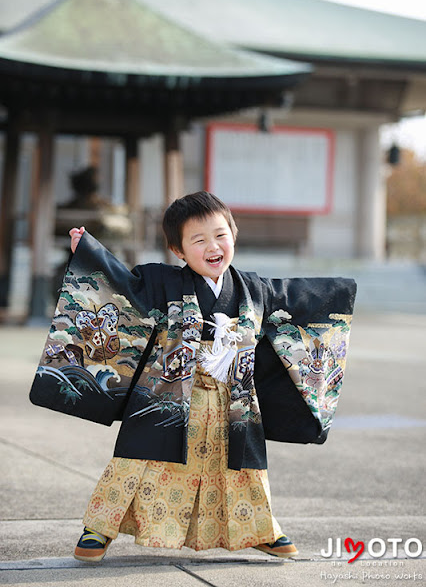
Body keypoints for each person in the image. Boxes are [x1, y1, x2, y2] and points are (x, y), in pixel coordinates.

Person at [30, 191, 356, 563]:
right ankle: (100, 527)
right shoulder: (163, 281)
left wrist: (339, 297)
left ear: (234, 234)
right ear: (179, 250)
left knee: (241, 469)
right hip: (168, 393)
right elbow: (123, 285)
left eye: (221, 235)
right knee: (140, 460)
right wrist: (88, 254)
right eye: (199, 240)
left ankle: (261, 529)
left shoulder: (254, 290)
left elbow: (299, 304)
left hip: (232, 400)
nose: (213, 246)